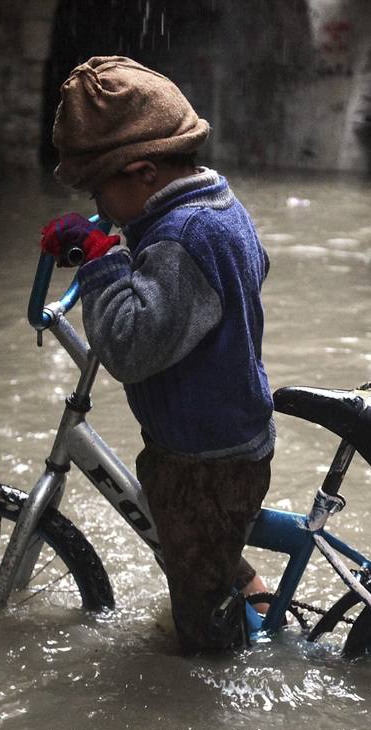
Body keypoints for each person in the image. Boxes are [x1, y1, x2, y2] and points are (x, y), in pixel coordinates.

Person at [39, 56, 273, 653]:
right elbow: (253, 271)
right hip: (231, 436)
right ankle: (248, 587)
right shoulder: (218, 207)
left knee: (201, 637)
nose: (100, 204)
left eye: (99, 191)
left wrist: (99, 259)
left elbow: (129, 348)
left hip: (202, 460)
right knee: (200, 544)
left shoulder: (182, 237)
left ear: (142, 173)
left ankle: (221, 670)